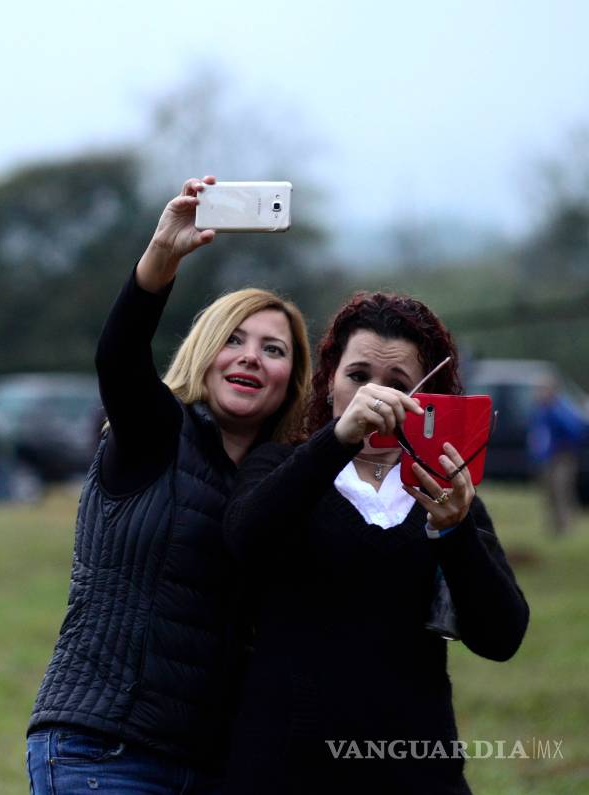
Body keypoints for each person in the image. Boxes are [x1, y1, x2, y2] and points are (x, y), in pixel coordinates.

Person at [27, 176, 312, 794]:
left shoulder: (282, 485)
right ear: (204, 351)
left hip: (216, 765)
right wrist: (162, 257)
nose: (251, 357)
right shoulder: (156, 430)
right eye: (233, 340)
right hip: (105, 751)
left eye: (273, 349)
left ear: (292, 380)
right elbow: (119, 357)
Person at [224, 292, 530, 794]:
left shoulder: (446, 494)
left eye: (397, 384)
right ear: (329, 383)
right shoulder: (280, 466)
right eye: (359, 376)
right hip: (284, 768)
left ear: (425, 399)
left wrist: (454, 533)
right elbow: (245, 538)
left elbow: (502, 636)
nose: (376, 395)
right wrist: (337, 440)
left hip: (416, 770)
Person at [528, 375, 586, 536]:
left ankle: (566, 527)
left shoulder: (561, 408)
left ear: (552, 391)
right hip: (546, 458)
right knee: (549, 492)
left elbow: (575, 429)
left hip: (562, 457)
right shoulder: (541, 409)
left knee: (562, 490)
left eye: (542, 390)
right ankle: (553, 526)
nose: (538, 393)